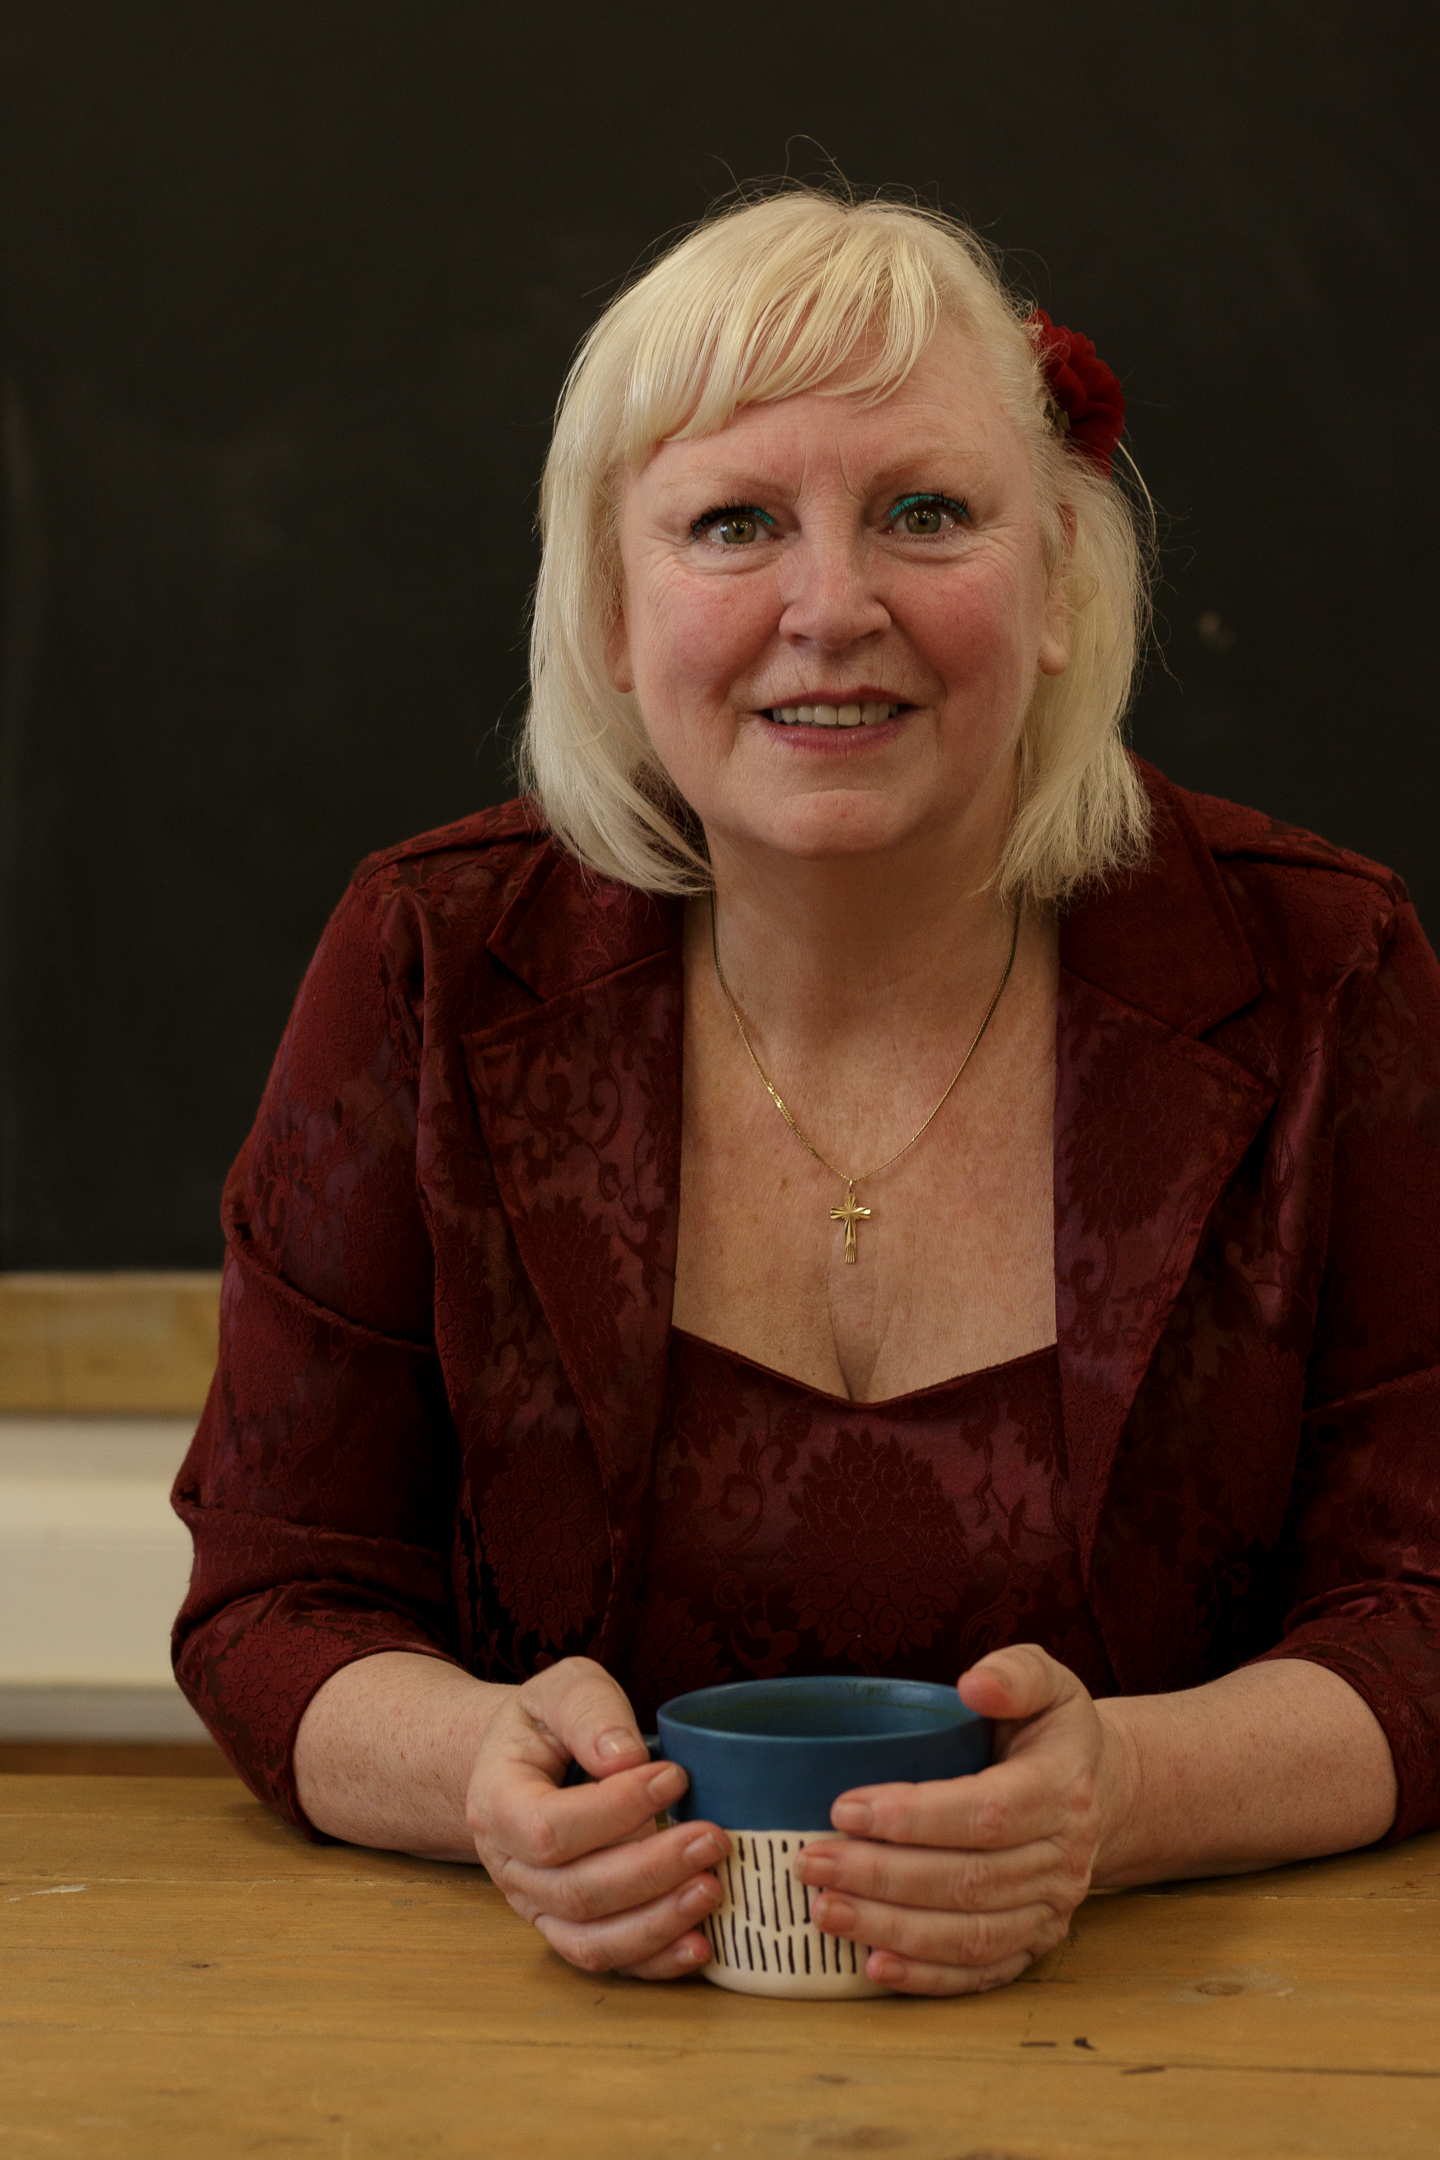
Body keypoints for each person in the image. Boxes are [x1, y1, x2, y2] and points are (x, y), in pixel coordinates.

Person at [172, 186, 1440, 1998]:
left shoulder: (1332, 975)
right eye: (733, 524)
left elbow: (1429, 1604)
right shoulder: (428, 966)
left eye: (927, 514)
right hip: (546, 2075)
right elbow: (274, 1601)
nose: (830, 607)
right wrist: (482, 1781)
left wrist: (1131, 1797)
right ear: (613, 612)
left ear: (1066, 585)